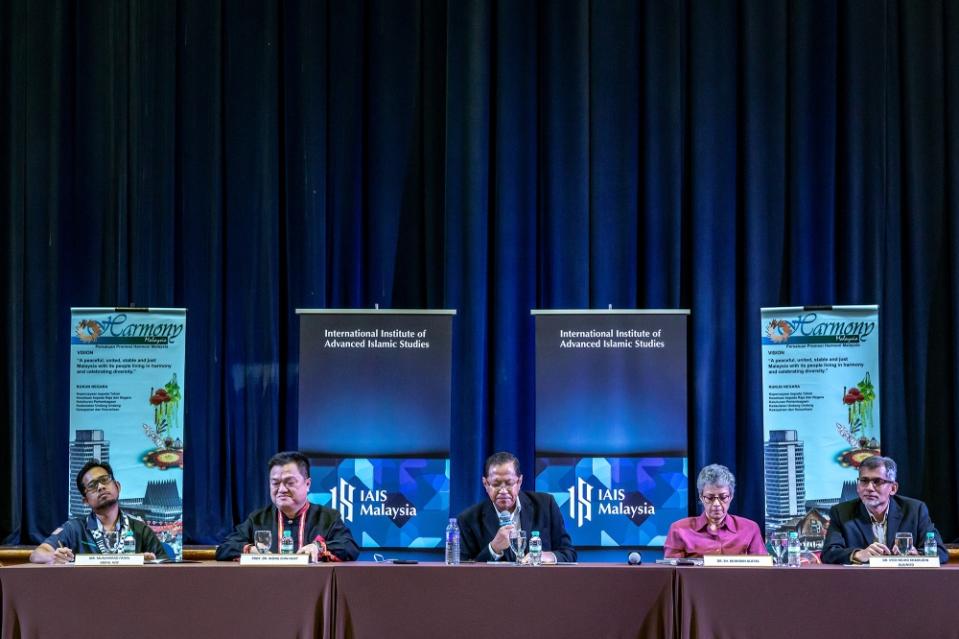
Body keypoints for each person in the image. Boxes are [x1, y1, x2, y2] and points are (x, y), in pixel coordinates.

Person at [215, 451, 359, 562]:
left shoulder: (328, 518)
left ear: (307, 484)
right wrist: (250, 550)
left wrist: (319, 548)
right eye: (275, 483)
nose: (282, 489)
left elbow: (349, 547)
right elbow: (225, 548)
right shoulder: (258, 519)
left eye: (290, 482)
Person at [30, 459, 170, 564]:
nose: (101, 487)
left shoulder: (141, 530)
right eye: (92, 485)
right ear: (85, 500)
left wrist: (148, 565)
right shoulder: (74, 529)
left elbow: (166, 567)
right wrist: (54, 556)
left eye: (105, 480)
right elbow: (37, 554)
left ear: (117, 486)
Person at [821, 455, 947, 564]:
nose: (869, 488)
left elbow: (940, 552)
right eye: (864, 481)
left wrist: (917, 555)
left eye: (877, 481)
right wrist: (859, 555)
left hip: (905, 582)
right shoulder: (841, 512)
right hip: (862, 583)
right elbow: (828, 553)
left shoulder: (915, 510)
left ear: (893, 488)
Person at [456, 451, 576, 563]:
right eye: (496, 484)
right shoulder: (468, 519)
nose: (503, 491)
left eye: (509, 483)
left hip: (539, 583)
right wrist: (493, 548)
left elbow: (568, 553)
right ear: (486, 484)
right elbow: (462, 569)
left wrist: (546, 556)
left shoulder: (545, 505)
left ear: (519, 482)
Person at [664, 464, 766, 558]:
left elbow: (762, 571)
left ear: (731, 497)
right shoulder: (679, 529)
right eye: (710, 497)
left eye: (723, 497)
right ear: (701, 497)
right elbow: (672, 573)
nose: (716, 504)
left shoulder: (750, 528)